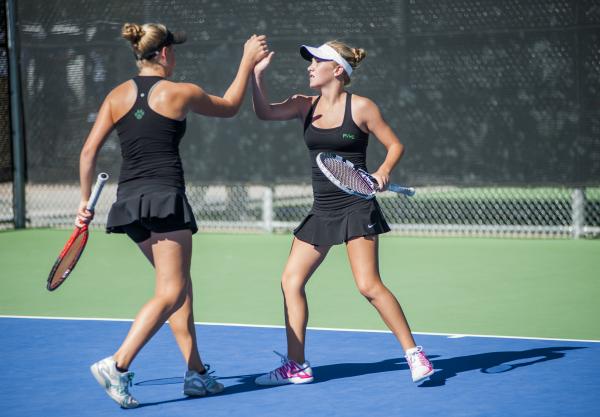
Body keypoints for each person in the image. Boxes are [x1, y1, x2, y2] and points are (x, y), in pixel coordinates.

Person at [77, 22, 268, 408]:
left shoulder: (115, 95)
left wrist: (86, 201)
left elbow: (87, 153)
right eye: (174, 50)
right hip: (165, 199)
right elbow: (230, 106)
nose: (175, 56)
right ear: (163, 54)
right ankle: (117, 365)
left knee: (179, 288)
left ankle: (196, 374)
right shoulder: (180, 93)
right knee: (170, 291)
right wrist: (247, 62)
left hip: (129, 204)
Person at [251, 41, 434, 385]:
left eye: (316, 61)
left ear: (336, 70)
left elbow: (395, 145)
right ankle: (297, 364)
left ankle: (415, 354)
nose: (309, 66)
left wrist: (384, 169)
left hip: (356, 207)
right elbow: (265, 112)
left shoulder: (362, 108)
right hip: (323, 210)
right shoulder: (303, 106)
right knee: (290, 280)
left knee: (368, 286)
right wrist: (256, 76)